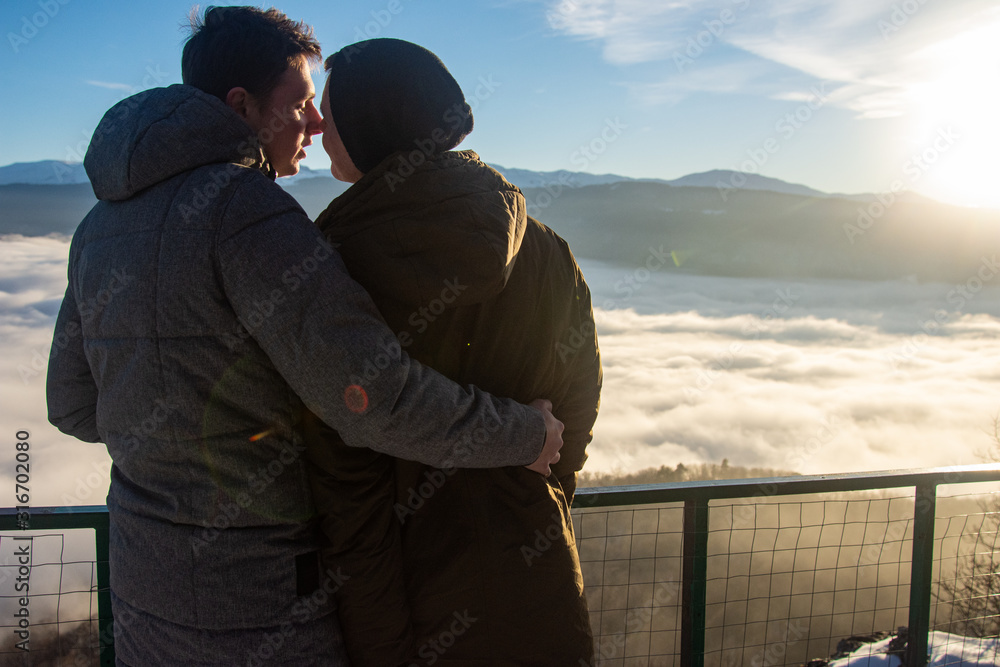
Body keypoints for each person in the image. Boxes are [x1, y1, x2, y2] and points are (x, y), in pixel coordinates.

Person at [45, 9, 565, 666]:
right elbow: (370, 398)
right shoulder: (248, 213)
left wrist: (169, 429)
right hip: (261, 599)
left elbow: (69, 402)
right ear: (243, 105)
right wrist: (524, 434)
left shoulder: (99, 225)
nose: (317, 125)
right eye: (301, 105)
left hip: (143, 593)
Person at [306, 38, 602, 666]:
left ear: (372, 124)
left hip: (405, 604)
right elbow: (574, 409)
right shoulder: (547, 251)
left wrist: (376, 642)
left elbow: (345, 481)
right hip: (538, 582)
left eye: (333, 115)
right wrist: (535, 501)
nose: (319, 129)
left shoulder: (333, 266)